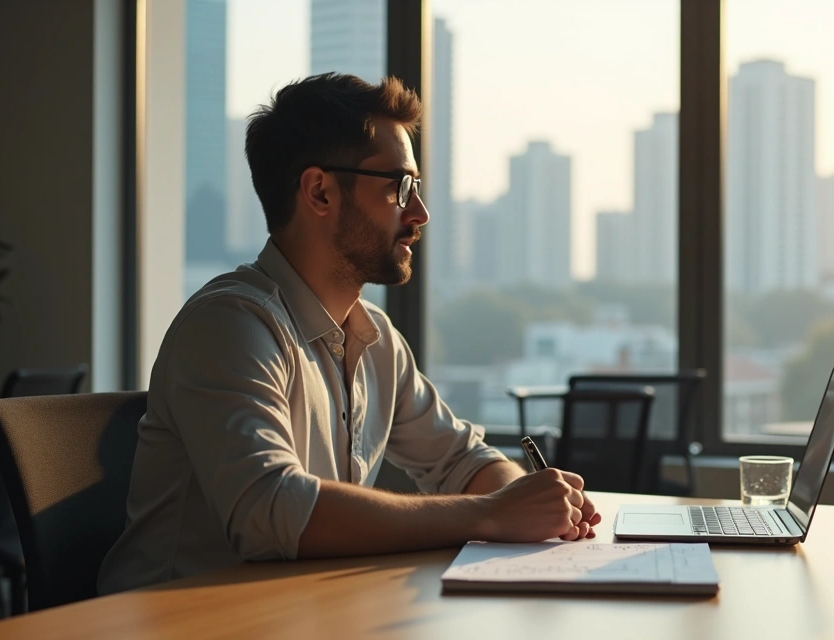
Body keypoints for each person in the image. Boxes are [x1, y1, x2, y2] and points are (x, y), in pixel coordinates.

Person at [98, 73, 598, 594]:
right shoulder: (230, 325)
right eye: (400, 187)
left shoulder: (375, 337)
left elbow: (461, 460)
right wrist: (490, 516)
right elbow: (272, 512)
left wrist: (532, 506)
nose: (420, 213)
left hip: (304, 614)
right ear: (320, 191)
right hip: (182, 624)